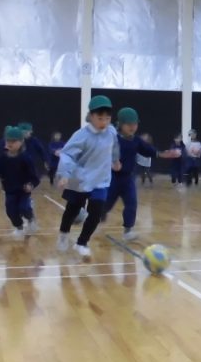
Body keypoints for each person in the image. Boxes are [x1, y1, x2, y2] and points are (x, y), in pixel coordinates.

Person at [55, 95, 121, 258]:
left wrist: (115, 160)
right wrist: (64, 175)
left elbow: (114, 147)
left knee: (96, 213)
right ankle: (63, 235)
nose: (104, 122)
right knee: (71, 210)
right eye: (100, 118)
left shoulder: (111, 131)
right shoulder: (81, 135)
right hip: (78, 178)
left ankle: (82, 243)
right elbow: (67, 155)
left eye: (107, 118)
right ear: (91, 116)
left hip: (100, 180)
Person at [103, 108, 160, 241]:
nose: (132, 127)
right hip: (112, 178)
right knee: (106, 204)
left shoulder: (136, 140)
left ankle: (128, 230)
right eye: (129, 124)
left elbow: (149, 150)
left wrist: (163, 153)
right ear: (120, 124)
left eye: (135, 124)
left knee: (131, 203)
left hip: (128, 178)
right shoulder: (111, 138)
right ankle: (98, 215)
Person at [0, 125, 40, 238]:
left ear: (21, 142)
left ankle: (31, 219)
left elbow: (35, 177)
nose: (10, 143)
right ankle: (19, 227)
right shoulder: (2, 159)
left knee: (24, 208)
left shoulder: (26, 158)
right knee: (10, 211)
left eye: (13, 141)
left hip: (23, 191)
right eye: (8, 140)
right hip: (9, 191)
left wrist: (31, 184)